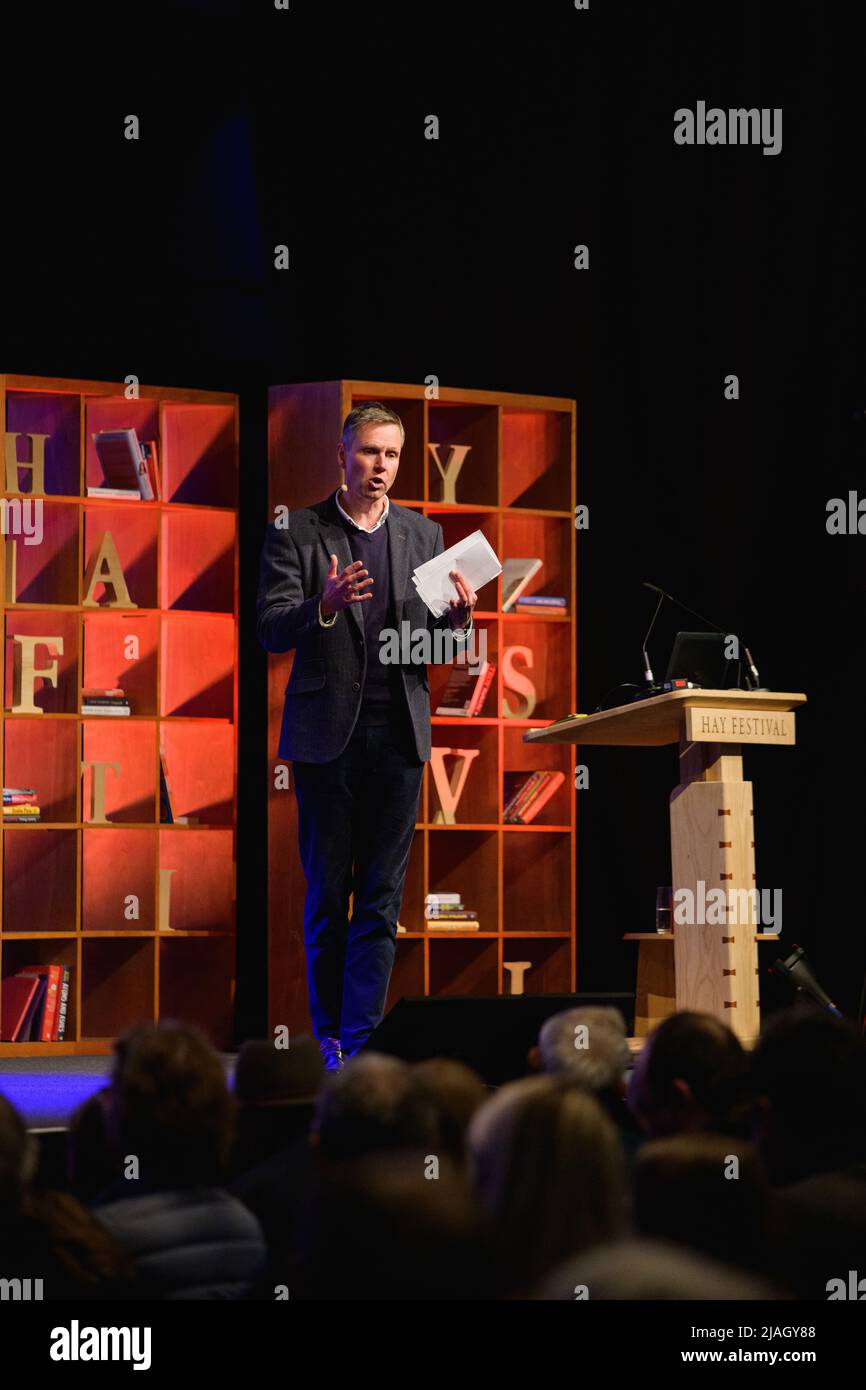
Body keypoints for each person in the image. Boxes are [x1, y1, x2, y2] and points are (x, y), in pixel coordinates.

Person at [257, 401, 477, 1069]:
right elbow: (269, 628)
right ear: (341, 455)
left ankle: (363, 1043)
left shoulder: (424, 534)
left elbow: (432, 643)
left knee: (381, 900)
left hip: (400, 740)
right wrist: (320, 607)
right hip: (328, 740)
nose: (379, 466)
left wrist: (460, 619)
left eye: (390, 455)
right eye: (367, 453)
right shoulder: (297, 530)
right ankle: (329, 1038)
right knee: (328, 895)